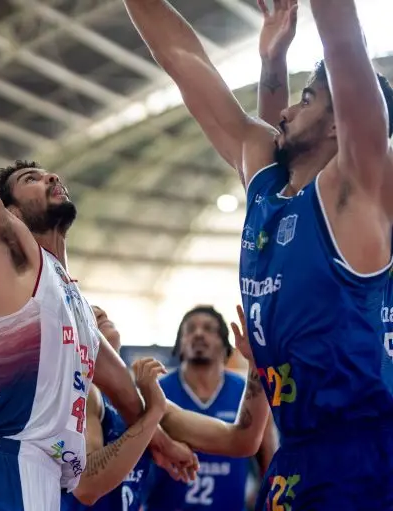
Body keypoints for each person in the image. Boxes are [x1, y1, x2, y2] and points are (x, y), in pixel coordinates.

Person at [0, 23, 198, 511]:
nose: (52, 176)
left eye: (48, 173)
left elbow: (125, 393)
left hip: (43, 481)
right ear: (11, 213)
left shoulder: (76, 309)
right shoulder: (13, 254)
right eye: (32, 179)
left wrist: (161, 442)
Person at [123, 0, 393, 506]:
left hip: (368, 462)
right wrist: (272, 63)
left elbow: (343, 40)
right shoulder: (268, 187)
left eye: (306, 99)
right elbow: (182, 59)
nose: (287, 111)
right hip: (295, 460)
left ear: (341, 123)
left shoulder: (356, 189)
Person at [142, 306, 276, 511]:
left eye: (208, 329)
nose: (198, 333)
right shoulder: (157, 391)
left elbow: (267, 458)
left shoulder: (247, 391)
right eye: (190, 329)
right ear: (180, 344)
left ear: (225, 344)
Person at [61, 307, 162, 510]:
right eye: (86, 313)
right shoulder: (81, 392)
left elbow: (228, 438)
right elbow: (85, 486)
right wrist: (154, 413)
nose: (99, 311)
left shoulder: (141, 394)